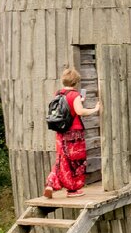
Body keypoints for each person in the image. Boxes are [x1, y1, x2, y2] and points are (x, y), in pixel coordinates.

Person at [43, 67, 102, 198]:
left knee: (61, 159)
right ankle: (72, 190)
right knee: (76, 161)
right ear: (76, 82)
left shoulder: (59, 94)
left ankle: (50, 184)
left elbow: (66, 108)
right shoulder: (75, 95)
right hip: (74, 133)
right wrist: (95, 109)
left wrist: (77, 103)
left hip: (61, 133)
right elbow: (80, 112)